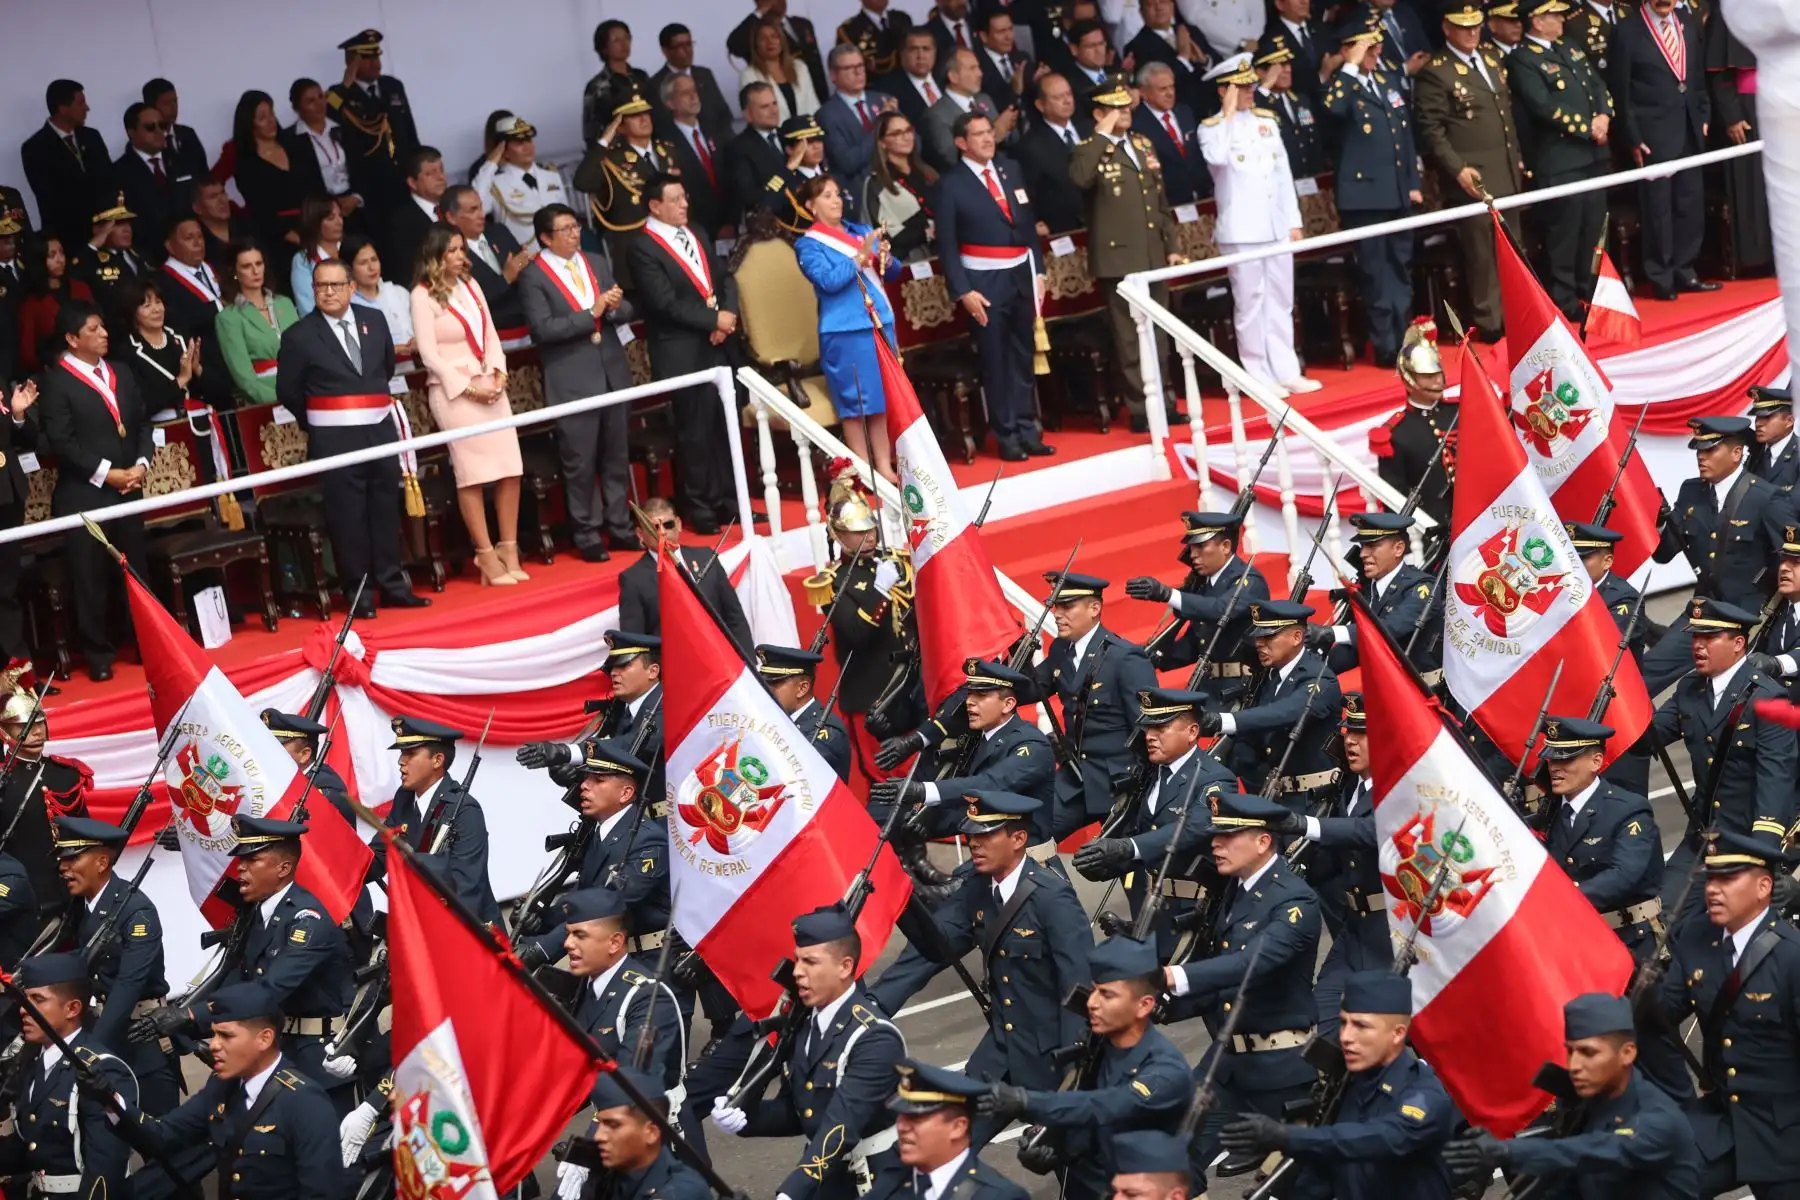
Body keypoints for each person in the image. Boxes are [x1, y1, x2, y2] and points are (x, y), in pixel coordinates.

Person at [871, 789, 1092, 1110]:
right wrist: (901, 894)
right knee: (950, 1136)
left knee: (1065, 1154)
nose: (974, 842)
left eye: (986, 834)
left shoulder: (1052, 899)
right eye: (972, 834)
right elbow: (938, 947)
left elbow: (1079, 989)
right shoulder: (978, 887)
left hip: (1050, 1055)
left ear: (1018, 839)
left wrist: (1074, 1070)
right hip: (1001, 1050)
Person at [1162, 789, 1323, 1182]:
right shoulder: (1235, 890)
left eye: (1228, 836)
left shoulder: (1294, 901)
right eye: (1216, 835)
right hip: (1226, 1064)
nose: (1215, 843)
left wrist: (1172, 977)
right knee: (1172, 1163)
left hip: (1279, 1073)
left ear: (1263, 841)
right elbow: (1224, 985)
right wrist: (1166, 1004)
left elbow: (1248, 966)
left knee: (1296, 1188)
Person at [131, 815, 354, 1091]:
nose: (241, 869)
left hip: (314, 1058)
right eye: (241, 860)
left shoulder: (307, 920)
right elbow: (235, 978)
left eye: (252, 861)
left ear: (283, 868)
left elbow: (268, 990)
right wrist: (184, 1020)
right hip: (274, 1047)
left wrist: (192, 1015)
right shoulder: (259, 914)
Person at [709, 904, 905, 1200]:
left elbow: (841, 1126)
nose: (798, 972)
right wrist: (745, 1116)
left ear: (845, 966)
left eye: (811, 962)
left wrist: (791, 1192)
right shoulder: (805, 1025)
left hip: (880, 1181)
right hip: (828, 1180)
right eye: (798, 960)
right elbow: (799, 1112)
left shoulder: (874, 1037)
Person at [975, 934, 1192, 1200]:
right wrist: (1053, 1150)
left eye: (1107, 995)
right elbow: (1087, 1126)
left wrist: (1026, 1101)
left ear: (1144, 1005)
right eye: (1094, 990)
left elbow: (1104, 1106)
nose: (1091, 1002)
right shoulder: (1096, 1048)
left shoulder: (1165, 1070)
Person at [1653, 827, 1800, 1197]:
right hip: (1727, 1119)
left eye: (1728, 879)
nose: (1713, 889)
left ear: (1764, 887)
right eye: (1710, 879)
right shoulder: (1697, 937)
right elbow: (1662, 1013)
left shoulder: (1792, 956)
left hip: (1786, 1131)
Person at [275, 257, 426, 614]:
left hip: (379, 431)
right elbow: (289, 391)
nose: (327, 292)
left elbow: (385, 367)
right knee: (347, 517)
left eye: (335, 285)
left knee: (385, 510)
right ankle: (359, 594)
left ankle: (393, 586)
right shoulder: (299, 335)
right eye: (320, 286)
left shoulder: (374, 320)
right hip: (335, 439)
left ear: (351, 288)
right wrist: (325, 419)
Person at [1224, 970, 1456, 1198]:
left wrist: (1288, 1136)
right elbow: (1321, 1176)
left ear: (1398, 1034)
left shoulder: (1423, 1093)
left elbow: (1384, 1139)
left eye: (1361, 1026)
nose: (1346, 1036)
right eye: (1343, 1023)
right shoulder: (1346, 1090)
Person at [1447, 991, 1703, 1198]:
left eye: (1589, 1053)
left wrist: (1509, 1151)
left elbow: (1596, 1152)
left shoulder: (1657, 1118)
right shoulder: (1590, 1108)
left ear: (1627, 1053)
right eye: (1571, 1052)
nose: (1574, 1065)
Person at [115, 981, 342, 1200]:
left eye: (226, 1035)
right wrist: (110, 1099)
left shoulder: (305, 1103)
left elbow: (321, 1192)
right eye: (213, 1034)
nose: (214, 1045)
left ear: (264, 1039)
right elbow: (164, 1134)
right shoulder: (222, 1087)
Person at [1647, 598, 1795, 907]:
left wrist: (1761, 859)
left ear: (1739, 643)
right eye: (1696, 637)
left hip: (1749, 835)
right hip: (1704, 834)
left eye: (1710, 637)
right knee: (1663, 916)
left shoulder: (1767, 699)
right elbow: (1649, 736)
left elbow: (1774, 784)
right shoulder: (1690, 689)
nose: (1698, 646)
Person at [1068, 687, 1236, 955]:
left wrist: (1127, 847)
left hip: (1195, 909)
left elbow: (1194, 827)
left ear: (1193, 732)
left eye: (1162, 728)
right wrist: (1112, 863)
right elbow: (1147, 833)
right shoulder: (1150, 775)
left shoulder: (1214, 778)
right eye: (1148, 729)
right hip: (1153, 909)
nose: (1150, 737)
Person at [37, 301, 151, 682]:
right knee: (89, 577)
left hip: (129, 486)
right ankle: (98, 653)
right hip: (85, 494)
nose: (103, 334)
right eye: (93, 329)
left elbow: (141, 422)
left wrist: (140, 464)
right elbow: (61, 442)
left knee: (135, 571)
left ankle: (145, 642)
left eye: (103, 327)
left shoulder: (121, 371)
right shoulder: (56, 380)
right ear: (72, 339)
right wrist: (107, 473)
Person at [518, 202, 638, 560]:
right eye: (565, 230)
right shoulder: (533, 275)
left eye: (575, 227)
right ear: (544, 238)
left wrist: (615, 306)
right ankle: (586, 534)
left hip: (611, 371)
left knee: (617, 456)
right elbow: (543, 329)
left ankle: (620, 527)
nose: (574, 234)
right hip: (571, 378)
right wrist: (593, 313)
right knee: (580, 462)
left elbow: (626, 309)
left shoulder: (595, 261)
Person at [409, 225, 527, 586]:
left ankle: (509, 547)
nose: (463, 256)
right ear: (436, 256)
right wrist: (468, 389)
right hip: (454, 392)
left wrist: (499, 375)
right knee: (471, 473)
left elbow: (490, 333)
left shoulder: (472, 286)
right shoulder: (422, 294)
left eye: (463, 249)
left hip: (490, 382)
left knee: (511, 467)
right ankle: (486, 555)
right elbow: (428, 353)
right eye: (454, 251)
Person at [1642, 415, 1793, 692]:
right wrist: (1661, 521)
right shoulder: (1691, 492)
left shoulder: (1765, 497)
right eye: (1699, 450)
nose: (1702, 457)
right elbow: (1663, 555)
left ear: (1737, 453)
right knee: (1646, 674)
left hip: (1751, 615)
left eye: (1711, 449)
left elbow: (1793, 555)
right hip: (1704, 610)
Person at [1198, 54, 1320, 396]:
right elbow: (1217, 160)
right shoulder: (1211, 129)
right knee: (1250, 302)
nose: (1251, 91)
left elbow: (1283, 176)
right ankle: (1257, 373)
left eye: (1252, 85)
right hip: (1241, 230)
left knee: (1281, 299)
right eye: (1242, 87)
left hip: (1275, 225)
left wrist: (1293, 221)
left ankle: (1286, 369)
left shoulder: (1266, 121)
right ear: (1224, 91)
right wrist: (1225, 113)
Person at [1072, 84, 1188, 434]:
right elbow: (1080, 178)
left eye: (1127, 106)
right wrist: (1102, 136)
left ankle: (1165, 401)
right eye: (1114, 107)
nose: (1124, 112)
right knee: (1129, 336)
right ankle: (1141, 407)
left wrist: (1171, 243)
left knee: (1159, 334)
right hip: (1119, 258)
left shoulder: (1142, 144)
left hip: (1152, 252)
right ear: (1098, 113)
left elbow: (1159, 200)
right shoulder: (1089, 149)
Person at [935, 112, 1051, 462]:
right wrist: (963, 291)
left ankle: (1028, 429)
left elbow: (1027, 226)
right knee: (997, 360)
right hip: (983, 281)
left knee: (1022, 354)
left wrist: (1040, 271)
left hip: (1020, 274)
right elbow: (947, 244)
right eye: (978, 134)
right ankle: (1007, 436)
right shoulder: (950, 184)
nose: (988, 139)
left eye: (990, 132)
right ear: (961, 143)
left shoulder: (1010, 169)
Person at [630, 175, 741, 536]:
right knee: (695, 431)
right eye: (675, 200)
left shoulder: (695, 232)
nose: (684, 205)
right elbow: (663, 302)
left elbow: (723, 279)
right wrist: (712, 319)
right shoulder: (643, 246)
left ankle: (732, 501)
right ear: (655, 206)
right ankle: (702, 508)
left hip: (717, 342)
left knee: (725, 427)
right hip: (682, 350)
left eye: (684, 197)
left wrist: (725, 317)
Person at [48, 816, 181, 1114]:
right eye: (62, 859)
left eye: (73, 858)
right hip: (108, 1030)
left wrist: (88, 1050)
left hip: (140, 1039)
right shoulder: (86, 905)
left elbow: (128, 985)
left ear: (102, 862)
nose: (63, 867)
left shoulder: (136, 911)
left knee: (161, 1141)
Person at [1414, 1, 1524, 342]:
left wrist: (1517, 155)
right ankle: (1490, 322)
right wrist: (1457, 168)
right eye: (1463, 26)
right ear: (1447, 28)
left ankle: (1518, 313)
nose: (1471, 32)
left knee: (1513, 248)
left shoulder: (1491, 58)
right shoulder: (1437, 71)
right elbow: (1431, 130)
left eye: (1475, 24)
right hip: (1472, 176)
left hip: (1505, 170)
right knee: (1482, 254)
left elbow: (1505, 115)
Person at [872, 658, 1059, 852]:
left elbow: (990, 784)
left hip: (1023, 860)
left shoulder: (1031, 744)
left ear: (1008, 704)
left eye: (981, 695)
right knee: (883, 811)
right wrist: (921, 803)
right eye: (970, 694)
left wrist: (922, 792)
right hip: (985, 831)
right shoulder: (980, 735)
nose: (969, 702)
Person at [1286, 693, 1391, 1033]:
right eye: (1348, 732)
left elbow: (1370, 831)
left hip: (1396, 933)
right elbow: (1331, 862)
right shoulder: (1349, 788)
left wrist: (1307, 826)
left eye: (1362, 734)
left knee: (1394, 1033)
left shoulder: (1401, 788)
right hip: (1356, 929)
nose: (1350, 741)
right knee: (1320, 1025)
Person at [1506, 0, 1614, 325]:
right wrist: (1587, 128)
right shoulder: (1523, 58)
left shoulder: (1568, 45)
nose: (1561, 19)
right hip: (1561, 158)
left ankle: (1590, 293)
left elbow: (1596, 84)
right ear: (1537, 21)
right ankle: (1565, 301)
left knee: (1593, 229)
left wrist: (1604, 116)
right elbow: (1543, 106)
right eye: (1554, 14)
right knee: (1565, 233)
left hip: (1593, 155)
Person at [1026, 571, 1157, 839]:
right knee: (1030, 837)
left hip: (1120, 782)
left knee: (1131, 871)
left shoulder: (1125, 657)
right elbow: (1031, 689)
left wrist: (1146, 785)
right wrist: (1018, 659)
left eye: (1068, 606)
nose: (1058, 614)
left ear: (1094, 608)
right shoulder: (1062, 649)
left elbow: (1149, 727)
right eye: (1056, 607)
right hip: (1077, 779)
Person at [0, 951, 138, 1200]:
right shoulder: (34, 1062)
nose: (23, 1010)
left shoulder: (101, 1069)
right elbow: (33, 1147)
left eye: (37, 1000)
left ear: (72, 1008)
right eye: (24, 999)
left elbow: (104, 1172)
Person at [1324, 21, 1421, 367]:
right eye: (1367, 47)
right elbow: (1334, 109)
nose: (1376, 52)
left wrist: (1412, 183)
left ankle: (1406, 338)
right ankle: (1386, 345)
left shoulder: (1385, 81)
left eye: (1377, 46)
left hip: (1395, 194)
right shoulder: (1341, 84)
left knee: (1400, 267)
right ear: (1350, 50)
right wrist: (1349, 65)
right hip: (1365, 199)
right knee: (1376, 274)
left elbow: (1403, 135)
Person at [794, 174, 902, 475]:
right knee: (855, 404)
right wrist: (859, 257)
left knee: (880, 399)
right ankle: (863, 469)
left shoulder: (862, 231)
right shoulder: (808, 245)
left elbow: (895, 272)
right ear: (810, 206)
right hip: (844, 331)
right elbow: (828, 282)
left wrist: (885, 258)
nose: (836, 200)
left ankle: (884, 463)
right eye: (826, 195)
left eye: (837, 193)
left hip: (879, 321)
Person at [1535, 716, 1664, 962]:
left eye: (1567, 759)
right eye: (1552, 759)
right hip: (1578, 938)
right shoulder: (1551, 811)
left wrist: (1562, 899)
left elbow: (1624, 874)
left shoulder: (1628, 809)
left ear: (1596, 761)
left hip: (1629, 940)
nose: (1554, 768)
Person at [1611, 0, 1714, 301]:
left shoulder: (1688, 21)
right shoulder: (1627, 31)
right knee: (1658, 208)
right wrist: (1632, 137)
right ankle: (1661, 276)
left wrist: (1704, 115)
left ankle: (1686, 270)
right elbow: (1621, 90)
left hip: (1691, 126)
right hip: (1652, 134)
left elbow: (1696, 76)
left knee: (1689, 202)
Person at [817, 473, 916, 784]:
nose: (869, 536)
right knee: (885, 776)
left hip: (908, 689)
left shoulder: (896, 562)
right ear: (839, 536)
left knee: (918, 772)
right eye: (857, 532)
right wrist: (880, 591)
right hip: (871, 693)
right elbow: (856, 633)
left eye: (870, 528)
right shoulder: (833, 581)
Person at [1206, 601, 1343, 807]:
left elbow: (1284, 712)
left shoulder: (1321, 679)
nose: (1259, 643)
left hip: (1312, 802)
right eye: (1259, 636)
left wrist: (1222, 721)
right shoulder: (1269, 677)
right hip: (1273, 798)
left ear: (1297, 637)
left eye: (1269, 636)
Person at [1124, 511, 1269, 699]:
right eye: (1191, 548)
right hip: (1209, 685)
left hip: (1245, 685)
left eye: (1200, 546)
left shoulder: (1249, 580)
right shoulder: (1206, 586)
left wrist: (1168, 594)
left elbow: (1220, 609)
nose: (1193, 555)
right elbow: (1196, 643)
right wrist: (1159, 656)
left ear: (1225, 546)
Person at [557, 886, 685, 1090]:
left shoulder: (649, 1000)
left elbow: (631, 1090)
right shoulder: (581, 985)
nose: (567, 943)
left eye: (580, 935)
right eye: (568, 934)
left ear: (615, 943)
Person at [376, 717, 500, 926]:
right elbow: (381, 851)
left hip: (465, 931)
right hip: (420, 921)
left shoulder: (465, 810)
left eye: (410, 753)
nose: (401, 761)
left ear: (437, 760)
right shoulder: (404, 797)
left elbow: (467, 888)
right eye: (401, 753)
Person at [866, 1060, 1028, 1200]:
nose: (902, 1126)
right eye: (902, 1116)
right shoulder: (896, 1176)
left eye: (917, 1119)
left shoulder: (996, 1197)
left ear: (958, 1127)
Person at [1312, 511, 1442, 675]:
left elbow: (1391, 629)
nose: (1363, 554)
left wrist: (1330, 633)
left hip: (1420, 690)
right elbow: (1354, 648)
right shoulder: (1368, 590)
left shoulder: (1423, 587)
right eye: (1362, 546)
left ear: (1398, 549)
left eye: (1372, 546)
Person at [618, 497, 752, 650]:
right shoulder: (633, 579)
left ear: (679, 524)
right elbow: (634, 641)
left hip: (720, 658)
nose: (662, 532)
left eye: (668, 525)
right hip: (674, 667)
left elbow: (734, 617)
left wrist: (747, 665)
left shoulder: (706, 557)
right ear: (640, 534)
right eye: (653, 528)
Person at [575, 91, 674, 292]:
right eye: (634, 115)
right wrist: (603, 142)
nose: (643, 118)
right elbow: (582, 182)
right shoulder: (610, 159)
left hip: (673, 245)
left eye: (646, 112)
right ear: (619, 126)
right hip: (636, 253)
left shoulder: (668, 150)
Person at [575, 1066, 713, 1200]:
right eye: (600, 1123)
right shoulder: (610, 1174)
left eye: (614, 1125)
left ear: (651, 1132)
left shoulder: (679, 1192)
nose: (599, 1136)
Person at [1370, 320, 1455, 534]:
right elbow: (1394, 499)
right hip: (1433, 531)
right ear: (1409, 381)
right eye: (1427, 376)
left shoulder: (1459, 412)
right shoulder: (1395, 433)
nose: (1437, 381)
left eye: (1438, 374)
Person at [326, 29, 422, 218]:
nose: (376, 64)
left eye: (377, 57)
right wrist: (346, 84)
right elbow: (328, 114)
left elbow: (409, 130)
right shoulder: (339, 94)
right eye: (368, 59)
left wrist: (418, 167)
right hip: (370, 185)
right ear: (351, 62)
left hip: (402, 177)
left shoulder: (392, 86)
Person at [1705, 15, 1773, 277]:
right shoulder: (1730, 12)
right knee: (1754, 187)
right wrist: (1732, 116)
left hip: (1785, 106)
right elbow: (1719, 74)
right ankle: (1759, 257)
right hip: (1748, 113)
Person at [20, 80, 114, 253]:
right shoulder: (36, 147)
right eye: (81, 103)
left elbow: (108, 180)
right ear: (63, 108)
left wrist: (108, 221)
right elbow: (49, 197)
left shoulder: (91, 137)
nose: (87, 108)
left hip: (106, 232)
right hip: (69, 239)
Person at [157, 215, 233, 423]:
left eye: (200, 236)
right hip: (206, 367)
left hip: (233, 357)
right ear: (170, 246)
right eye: (189, 238)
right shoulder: (163, 281)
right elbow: (178, 321)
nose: (198, 242)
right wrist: (218, 306)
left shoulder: (214, 267)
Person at [233, 90, 324, 261]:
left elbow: (318, 187)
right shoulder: (246, 164)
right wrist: (296, 238)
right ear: (249, 123)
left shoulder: (298, 144)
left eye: (272, 113)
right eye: (262, 117)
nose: (270, 121)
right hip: (279, 241)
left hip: (316, 226)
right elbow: (261, 211)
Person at [215, 240, 300, 406]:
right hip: (265, 403)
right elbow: (245, 380)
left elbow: (306, 352)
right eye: (247, 266)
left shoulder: (285, 303)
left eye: (259, 264)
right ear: (235, 272)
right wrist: (281, 401)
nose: (255, 271)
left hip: (304, 393)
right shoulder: (228, 318)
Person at [440, 184, 532, 333]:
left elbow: (525, 271)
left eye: (481, 208)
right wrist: (505, 278)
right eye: (473, 210)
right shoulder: (447, 253)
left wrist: (528, 264)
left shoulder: (499, 232)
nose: (482, 215)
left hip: (527, 319)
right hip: (490, 330)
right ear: (451, 217)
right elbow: (465, 301)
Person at [470, 115, 568, 250]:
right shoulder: (495, 184)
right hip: (527, 260)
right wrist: (491, 163)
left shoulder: (551, 176)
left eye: (529, 140)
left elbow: (568, 219)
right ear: (504, 149)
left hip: (563, 254)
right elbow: (476, 206)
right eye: (519, 143)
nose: (527, 147)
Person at [758, 645, 853, 781]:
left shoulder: (826, 734)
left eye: (774, 684)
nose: (766, 691)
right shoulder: (778, 718)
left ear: (802, 688)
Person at [116, 276, 199, 427]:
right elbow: (141, 406)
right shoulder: (127, 352)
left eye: (158, 302)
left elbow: (212, 391)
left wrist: (198, 369)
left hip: (198, 422)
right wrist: (181, 380)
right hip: (161, 432)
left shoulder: (181, 338)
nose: (156, 309)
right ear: (133, 313)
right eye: (147, 305)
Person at [857, 111, 938, 261]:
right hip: (911, 262)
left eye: (908, 130)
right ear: (882, 142)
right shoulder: (876, 184)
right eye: (897, 133)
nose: (906, 137)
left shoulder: (928, 172)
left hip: (944, 253)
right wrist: (925, 230)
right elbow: (884, 236)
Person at [114, 102, 189, 260]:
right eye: (150, 127)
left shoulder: (182, 162)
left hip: (190, 250)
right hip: (149, 259)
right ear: (131, 132)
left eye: (162, 125)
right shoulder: (118, 173)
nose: (159, 132)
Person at [1014, 74, 1085, 238]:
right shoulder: (1030, 146)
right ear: (1040, 104)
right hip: (1063, 230)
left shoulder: (1090, 128)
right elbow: (1029, 193)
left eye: (1068, 94)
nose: (1067, 101)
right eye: (1058, 97)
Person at [1132, 62, 1211, 207]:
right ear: (1143, 92)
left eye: (1172, 87)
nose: (1170, 93)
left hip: (1202, 198)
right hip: (1167, 205)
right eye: (1162, 89)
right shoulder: (1136, 125)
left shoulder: (1185, 112)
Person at [922, 49, 1014, 174]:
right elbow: (951, 158)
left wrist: (1009, 128)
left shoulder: (984, 99)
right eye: (972, 68)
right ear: (953, 76)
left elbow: (1011, 141)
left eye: (978, 67)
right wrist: (994, 135)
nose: (980, 73)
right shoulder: (936, 115)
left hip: (1003, 170)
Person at [661, 75, 729, 241]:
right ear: (670, 103)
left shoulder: (715, 130)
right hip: (695, 230)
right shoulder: (665, 143)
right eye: (685, 93)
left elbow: (731, 177)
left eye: (694, 90)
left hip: (730, 224)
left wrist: (730, 221)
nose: (693, 97)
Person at [1254, 34, 1329, 180]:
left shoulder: (1301, 101)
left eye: (1288, 64)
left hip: (1310, 183)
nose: (1287, 70)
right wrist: (1265, 86)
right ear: (1261, 73)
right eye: (1279, 67)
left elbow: (1315, 144)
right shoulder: (1256, 105)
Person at [287, 79, 359, 230]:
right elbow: (299, 183)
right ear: (297, 107)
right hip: (321, 214)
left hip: (355, 205)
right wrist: (330, 204)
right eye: (311, 101)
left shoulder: (344, 128)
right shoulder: (290, 140)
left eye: (321, 97)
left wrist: (356, 197)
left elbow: (361, 166)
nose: (319, 104)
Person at [16, 234, 94, 375]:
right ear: (40, 260)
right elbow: (28, 353)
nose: (60, 259)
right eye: (52, 255)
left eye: (61, 253)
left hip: (92, 363)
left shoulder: (81, 288)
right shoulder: (32, 304)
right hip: (56, 373)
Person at [821, 45, 897, 182]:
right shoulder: (826, 115)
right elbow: (848, 162)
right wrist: (881, 126)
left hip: (897, 177)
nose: (858, 72)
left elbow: (916, 144)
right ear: (833, 75)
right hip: (862, 188)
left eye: (861, 65)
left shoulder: (883, 99)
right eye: (849, 68)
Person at [726, 0, 830, 100]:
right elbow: (734, 45)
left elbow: (816, 61)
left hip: (816, 93)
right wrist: (759, 12)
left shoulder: (803, 23)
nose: (778, 1)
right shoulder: (755, 32)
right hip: (782, 96)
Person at [653, 23, 736, 146]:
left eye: (689, 44)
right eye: (680, 46)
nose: (687, 50)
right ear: (665, 51)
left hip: (719, 146)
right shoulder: (656, 84)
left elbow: (723, 113)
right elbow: (662, 127)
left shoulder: (705, 74)